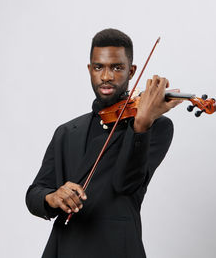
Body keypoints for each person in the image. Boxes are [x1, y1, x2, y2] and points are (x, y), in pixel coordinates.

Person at [26, 28, 181, 258]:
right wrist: (52, 197)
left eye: (117, 68)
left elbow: (125, 184)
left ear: (132, 71)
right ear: (90, 70)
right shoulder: (67, 132)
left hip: (118, 249)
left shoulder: (156, 127)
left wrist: (141, 125)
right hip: (65, 248)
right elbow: (34, 193)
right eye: (99, 67)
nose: (106, 76)